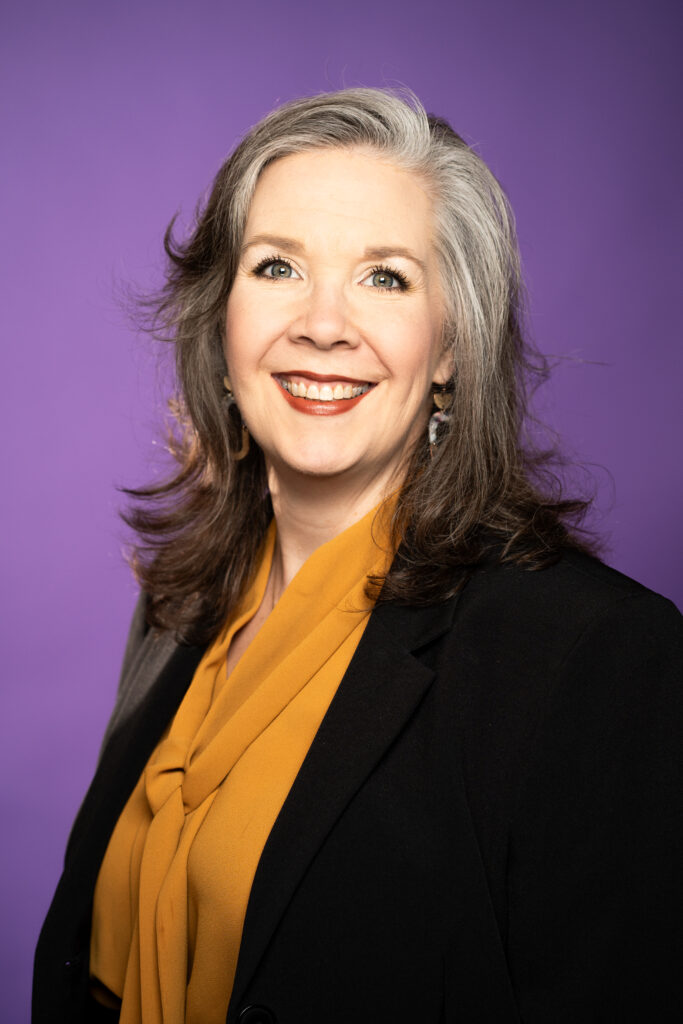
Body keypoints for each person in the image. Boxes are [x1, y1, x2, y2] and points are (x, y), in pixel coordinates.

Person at [33, 88, 682, 1024]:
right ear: (221, 330)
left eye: (385, 277)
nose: (324, 323)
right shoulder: (180, 610)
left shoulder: (589, 655)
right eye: (277, 267)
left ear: (452, 343)